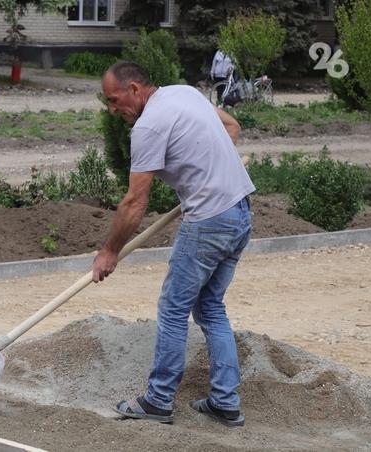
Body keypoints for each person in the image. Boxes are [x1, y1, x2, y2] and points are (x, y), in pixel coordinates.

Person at [93, 61, 254, 426]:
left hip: (210, 222)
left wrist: (109, 252)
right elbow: (232, 126)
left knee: (172, 309)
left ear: (134, 89)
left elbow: (135, 202)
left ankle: (158, 400)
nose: (112, 109)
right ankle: (226, 402)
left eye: (114, 100)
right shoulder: (184, 92)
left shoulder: (148, 126)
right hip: (241, 213)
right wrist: (208, 174)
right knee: (211, 308)